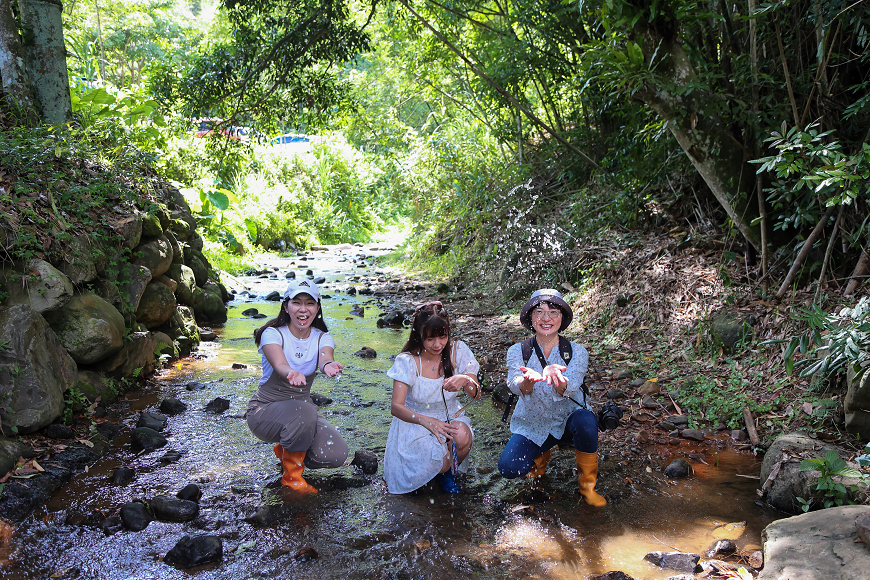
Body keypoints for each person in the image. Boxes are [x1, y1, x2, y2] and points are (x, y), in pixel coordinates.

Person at [497, 289, 606, 506]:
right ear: (530, 317)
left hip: (568, 421)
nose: (546, 318)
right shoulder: (518, 351)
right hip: (534, 423)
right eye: (539, 312)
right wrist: (528, 380)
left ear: (562, 318)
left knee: (585, 421)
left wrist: (558, 380)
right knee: (509, 468)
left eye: (553, 312)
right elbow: (515, 385)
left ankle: (588, 487)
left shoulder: (577, 352)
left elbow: (572, 386)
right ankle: (541, 458)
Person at [246, 279, 348, 493]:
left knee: (336, 454)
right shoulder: (273, 334)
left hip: (302, 413)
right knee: (305, 410)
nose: (303, 309)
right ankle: (292, 479)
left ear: (317, 308)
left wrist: (328, 365)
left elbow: (324, 357)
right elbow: (280, 363)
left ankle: (286, 448)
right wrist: (289, 372)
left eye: (310, 303)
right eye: (297, 303)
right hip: (264, 411)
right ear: (286, 306)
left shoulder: (322, 337)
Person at [384, 301, 482, 494]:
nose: (437, 345)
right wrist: (427, 422)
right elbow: (396, 407)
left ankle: (447, 475)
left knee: (462, 436)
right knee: (440, 461)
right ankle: (440, 468)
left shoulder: (457, 351)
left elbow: (476, 395)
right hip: (416, 421)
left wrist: (465, 380)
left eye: (442, 337)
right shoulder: (408, 361)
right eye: (430, 339)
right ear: (419, 335)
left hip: (449, 415)